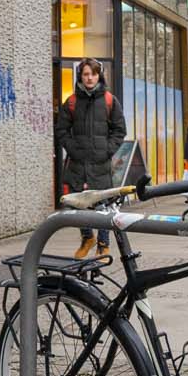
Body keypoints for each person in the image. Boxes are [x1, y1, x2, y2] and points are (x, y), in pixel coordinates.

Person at [53, 59, 127, 258]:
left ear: (98, 76)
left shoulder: (110, 100)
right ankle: (87, 238)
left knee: (102, 205)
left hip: (100, 163)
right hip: (77, 163)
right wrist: (72, 148)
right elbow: (61, 130)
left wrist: (107, 150)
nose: (89, 78)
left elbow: (120, 130)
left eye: (93, 74)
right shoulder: (71, 101)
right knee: (78, 204)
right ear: (81, 76)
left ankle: (103, 244)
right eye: (85, 74)